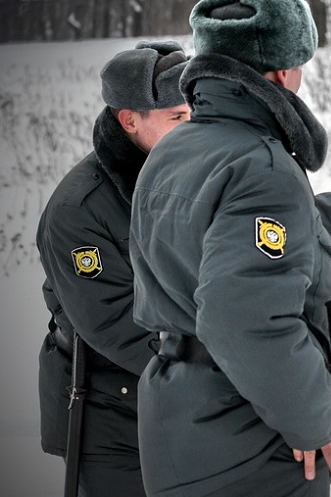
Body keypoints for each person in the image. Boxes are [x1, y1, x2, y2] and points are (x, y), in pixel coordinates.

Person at [129, 0, 331, 497]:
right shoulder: (260, 163)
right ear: (282, 70)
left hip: (181, 421)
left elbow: (260, 240)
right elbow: (245, 315)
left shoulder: (176, 147)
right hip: (253, 441)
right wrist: (316, 421)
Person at [36, 40, 191, 496]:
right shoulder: (78, 209)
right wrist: (219, 375)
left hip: (180, 396)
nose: (192, 127)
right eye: (177, 118)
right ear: (130, 120)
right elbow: (118, 325)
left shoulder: (185, 175)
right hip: (108, 411)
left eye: (194, 113)